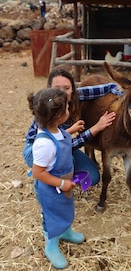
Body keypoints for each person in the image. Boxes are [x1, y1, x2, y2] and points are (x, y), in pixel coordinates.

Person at [28, 87, 116, 269]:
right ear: (58, 116)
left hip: (62, 184)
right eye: (67, 108)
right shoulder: (43, 144)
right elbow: (38, 172)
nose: (70, 110)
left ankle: (66, 231)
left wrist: (72, 130)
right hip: (50, 187)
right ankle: (51, 245)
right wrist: (61, 183)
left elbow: (59, 140)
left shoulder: (56, 130)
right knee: (51, 216)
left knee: (65, 209)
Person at [23, 67, 122, 185]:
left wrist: (124, 95)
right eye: (57, 88)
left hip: (62, 144)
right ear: (49, 89)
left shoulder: (75, 97)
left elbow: (110, 87)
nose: (62, 92)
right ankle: (45, 176)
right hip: (38, 148)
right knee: (61, 162)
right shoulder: (46, 107)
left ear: (72, 90)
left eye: (66, 88)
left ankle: (56, 173)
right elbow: (57, 145)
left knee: (93, 177)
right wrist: (96, 128)